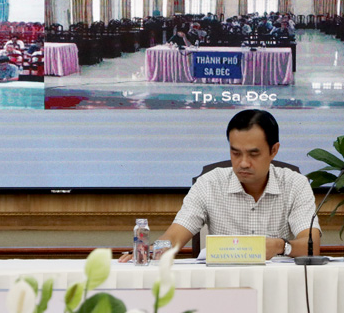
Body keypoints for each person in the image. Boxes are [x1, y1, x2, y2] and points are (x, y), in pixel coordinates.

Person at [119, 110, 319, 262]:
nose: (243, 163)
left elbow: (312, 246)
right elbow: (175, 235)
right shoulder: (209, 183)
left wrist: (279, 246)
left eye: (253, 154)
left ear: (274, 150)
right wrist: (151, 250)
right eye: (236, 153)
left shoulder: (295, 184)